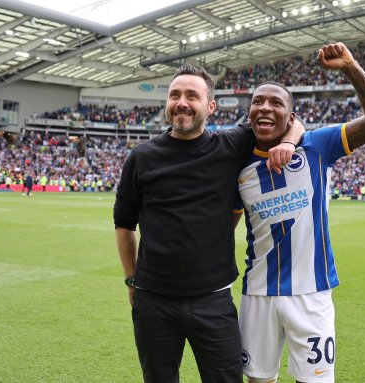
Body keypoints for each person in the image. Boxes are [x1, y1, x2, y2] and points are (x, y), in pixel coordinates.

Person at [113, 64, 304, 383]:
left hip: (213, 300)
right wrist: (131, 279)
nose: (182, 102)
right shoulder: (141, 157)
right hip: (153, 301)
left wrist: (290, 143)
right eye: (175, 95)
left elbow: (289, 121)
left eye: (192, 95)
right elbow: (124, 224)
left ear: (210, 106)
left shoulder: (230, 146)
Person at [235, 42, 365, 383]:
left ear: (291, 118)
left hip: (312, 293)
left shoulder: (317, 147)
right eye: (257, 102)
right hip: (257, 292)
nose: (265, 108)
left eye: (276, 103)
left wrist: (351, 66)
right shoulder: (235, 162)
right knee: (258, 380)